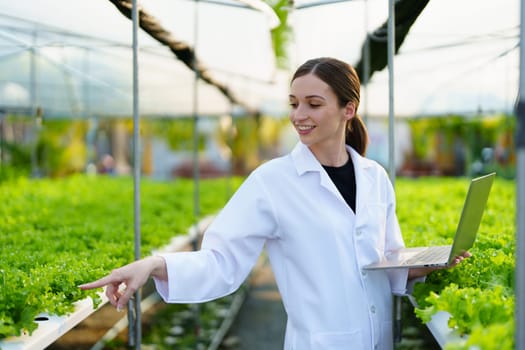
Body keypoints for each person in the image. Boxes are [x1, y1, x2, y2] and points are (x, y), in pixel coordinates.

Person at [80, 57, 470, 350]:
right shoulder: (272, 182)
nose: (298, 116)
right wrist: (154, 265)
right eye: (294, 103)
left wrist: (430, 264)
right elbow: (222, 262)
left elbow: (387, 259)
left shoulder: (375, 177)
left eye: (313, 104)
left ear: (348, 110)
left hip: (379, 339)